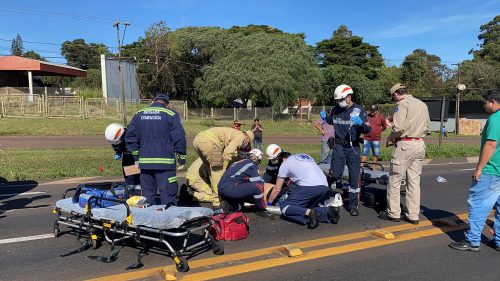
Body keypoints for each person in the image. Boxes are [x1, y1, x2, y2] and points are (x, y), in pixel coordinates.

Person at [449, 89, 500, 252]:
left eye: (485, 103)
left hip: (491, 170)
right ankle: (499, 240)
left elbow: (491, 144)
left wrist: (479, 168)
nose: (484, 106)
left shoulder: (495, 119)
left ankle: (472, 241)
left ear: (493, 102)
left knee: (478, 205)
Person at [378, 83, 430, 224]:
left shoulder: (401, 105)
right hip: (420, 143)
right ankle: (413, 215)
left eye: (393, 96)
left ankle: (394, 213)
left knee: (395, 180)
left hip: (405, 145)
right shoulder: (422, 104)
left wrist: (390, 136)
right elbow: (427, 126)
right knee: (414, 182)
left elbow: (399, 127)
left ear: (395, 94)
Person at [125, 93, 187, 207]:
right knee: (168, 197)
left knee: (147, 199)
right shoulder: (171, 114)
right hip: (165, 164)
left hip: (145, 164)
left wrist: (136, 157)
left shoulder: (139, 114)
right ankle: (168, 223)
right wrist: (181, 157)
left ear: (152, 101)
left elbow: (130, 137)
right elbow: (180, 138)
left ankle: (148, 223)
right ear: (167, 104)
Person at [325, 84, 371, 216]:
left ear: (349, 97)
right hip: (339, 146)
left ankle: (353, 206)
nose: (339, 102)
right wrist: (325, 117)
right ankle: (332, 189)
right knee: (335, 174)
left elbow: (368, 129)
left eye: (341, 100)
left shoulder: (359, 110)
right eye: (338, 100)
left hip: (353, 148)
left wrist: (360, 124)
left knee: (354, 177)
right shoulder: (336, 109)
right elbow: (330, 121)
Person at [267, 153, 340, 228]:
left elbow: (277, 189)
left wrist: (268, 204)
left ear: (283, 160)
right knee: (300, 208)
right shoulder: (306, 156)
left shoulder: (285, 163)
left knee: (285, 207)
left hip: (309, 187)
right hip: (324, 186)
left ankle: (309, 213)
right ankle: (327, 211)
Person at [192, 127, 254, 209]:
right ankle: (218, 203)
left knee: (211, 171)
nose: (246, 144)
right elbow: (228, 152)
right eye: (248, 142)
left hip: (197, 140)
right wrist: (224, 171)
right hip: (209, 142)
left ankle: (216, 199)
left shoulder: (233, 133)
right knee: (218, 172)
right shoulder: (241, 136)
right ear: (247, 138)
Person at [105, 123, 141, 188]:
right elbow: (119, 146)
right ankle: (131, 190)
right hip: (128, 159)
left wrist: (137, 159)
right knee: (129, 180)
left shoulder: (133, 136)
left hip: (136, 157)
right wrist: (118, 151)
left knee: (134, 179)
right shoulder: (116, 139)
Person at [361, 105, 387, 169]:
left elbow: (384, 126)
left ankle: (373, 166)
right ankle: (361, 166)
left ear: (377, 111)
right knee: (364, 152)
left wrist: (379, 131)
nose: (372, 112)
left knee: (375, 153)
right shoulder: (367, 117)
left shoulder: (381, 117)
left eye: (373, 111)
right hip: (367, 138)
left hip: (376, 139)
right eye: (371, 110)